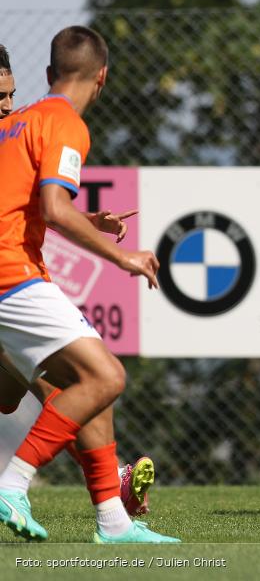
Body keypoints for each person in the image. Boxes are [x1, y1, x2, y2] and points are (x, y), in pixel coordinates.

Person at [0, 27, 177, 543]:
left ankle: (114, 520)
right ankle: (13, 483)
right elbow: (54, 208)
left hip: (17, 274)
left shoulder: (21, 123)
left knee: (86, 388)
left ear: (48, 75)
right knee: (106, 377)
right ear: (102, 77)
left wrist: (88, 220)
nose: (5, 104)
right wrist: (123, 257)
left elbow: (30, 201)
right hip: (12, 276)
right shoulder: (62, 124)